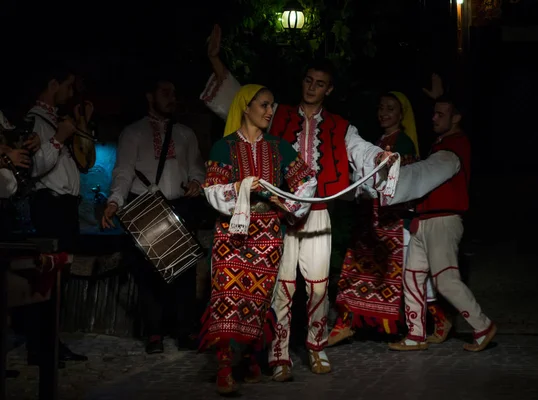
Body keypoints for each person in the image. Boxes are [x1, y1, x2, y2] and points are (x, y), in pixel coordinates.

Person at [200, 24, 393, 381]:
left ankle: (316, 347)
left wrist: (379, 157)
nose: (312, 87)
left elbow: (361, 150)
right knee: (282, 287)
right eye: (308, 80)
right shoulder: (278, 114)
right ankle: (279, 354)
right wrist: (215, 61)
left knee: (319, 285)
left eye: (320, 83)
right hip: (277, 218)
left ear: (329, 89)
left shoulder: (340, 126)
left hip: (316, 211)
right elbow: (238, 99)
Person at [199, 84, 317, 394]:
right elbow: (212, 191)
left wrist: (285, 203)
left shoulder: (279, 147)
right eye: (264, 105)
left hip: (267, 232)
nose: (269, 111)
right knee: (227, 294)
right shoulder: (222, 147)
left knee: (259, 298)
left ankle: (251, 356)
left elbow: (307, 182)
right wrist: (241, 188)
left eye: (272, 106)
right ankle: (224, 366)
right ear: (245, 107)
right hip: (232, 232)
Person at [329, 91, 451, 345]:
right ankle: (345, 323)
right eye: (382, 108)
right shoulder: (378, 142)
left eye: (391, 109)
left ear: (401, 114)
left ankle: (438, 319)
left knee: (407, 276)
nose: (384, 113)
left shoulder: (403, 143)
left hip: (393, 223)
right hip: (371, 220)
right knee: (356, 272)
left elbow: (401, 185)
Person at [382, 95, 497, 352]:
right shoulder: (442, 144)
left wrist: (394, 178)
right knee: (412, 277)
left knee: (445, 280)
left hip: (443, 221)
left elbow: (427, 173)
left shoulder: (454, 146)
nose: (434, 118)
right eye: (433, 113)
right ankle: (416, 334)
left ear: (456, 118)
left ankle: (483, 326)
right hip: (426, 221)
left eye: (440, 114)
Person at [102, 77, 205, 353]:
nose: (172, 97)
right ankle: (154, 333)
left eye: (174, 92)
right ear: (150, 96)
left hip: (180, 206)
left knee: (184, 270)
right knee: (148, 272)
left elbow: (196, 168)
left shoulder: (186, 134)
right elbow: (123, 171)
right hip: (146, 206)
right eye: (165, 92)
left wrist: (197, 182)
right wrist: (114, 201)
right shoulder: (133, 133)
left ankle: (184, 331)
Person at [25, 63, 88, 366]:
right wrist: (59, 138)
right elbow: (34, 168)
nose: (71, 92)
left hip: (64, 208)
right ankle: (41, 347)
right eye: (69, 85)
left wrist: (76, 125)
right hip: (49, 207)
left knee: (60, 277)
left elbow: (84, 161)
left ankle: (51, 342)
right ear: (53, 83)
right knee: (47, 276)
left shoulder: (55, 120)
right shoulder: (33, 121)